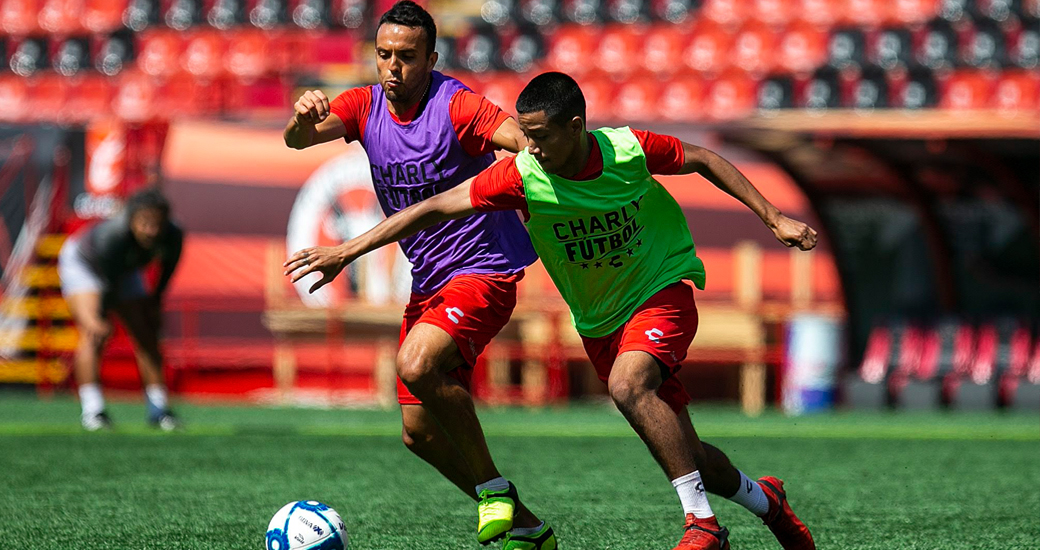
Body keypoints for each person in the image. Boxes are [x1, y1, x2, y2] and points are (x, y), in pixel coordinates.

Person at [285, 72, 819, 550]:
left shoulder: (626, 149)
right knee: (689, 454)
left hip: (660, 288)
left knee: (629, 386)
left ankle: (702, 525)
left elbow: (701, 158)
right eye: (526, 134)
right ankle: (767, 501)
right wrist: (345, 251)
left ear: (576, 126)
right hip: (600, 319)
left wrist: (774, 218)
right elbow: (430, 208)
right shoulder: (521, 176)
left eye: (539, 136)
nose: (529, 147)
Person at [282, 2, 554, 547]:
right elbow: (297, 140)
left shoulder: (456, 105)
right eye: (384, 54)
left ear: (431, 58)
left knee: (414, 363)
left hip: (484, 269)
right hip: (428, 281)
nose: (392, 67)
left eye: (407, 56)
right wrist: (302, 117)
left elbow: (520, 138)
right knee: (419, 434)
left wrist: (532, 160)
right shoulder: (363, 106)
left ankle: (495, 490)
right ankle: (526, 525)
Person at [58, 188, 183, 432]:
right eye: (145, 223)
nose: (152, 231)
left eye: (157, 224)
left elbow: (167, 271)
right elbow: (107, 284)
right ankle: (93, 410)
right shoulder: (112, 236)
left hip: (124, 270)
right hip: (86, 265)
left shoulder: (174, 235)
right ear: (131, 219)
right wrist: (98, 317)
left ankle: (159, 410)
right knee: (94, 331)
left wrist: (154, 304)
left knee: (146, 334)